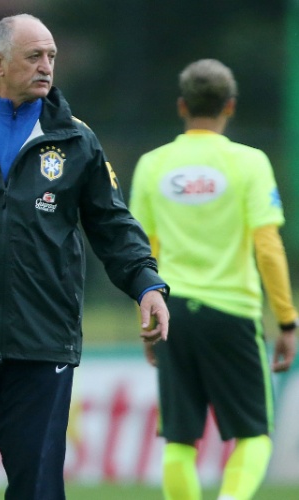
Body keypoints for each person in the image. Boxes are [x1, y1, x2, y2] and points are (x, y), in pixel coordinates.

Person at [0, 13, 170, 499]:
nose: (47, 67)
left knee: (36, 483)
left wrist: (147, 283)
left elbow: (112, 224)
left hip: (42, 342)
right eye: (35, 56)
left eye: (52, 57)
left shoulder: (76, 139)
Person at [129, 59, 297, 500]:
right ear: (231, 106)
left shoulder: (152, 165)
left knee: (179, 439)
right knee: (255, 434)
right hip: (232, 314)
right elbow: (268, 247)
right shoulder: (250, 163)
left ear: (181, 106)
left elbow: (142, 254)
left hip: (173, 312)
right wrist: (287, 320)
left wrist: (146, 321)